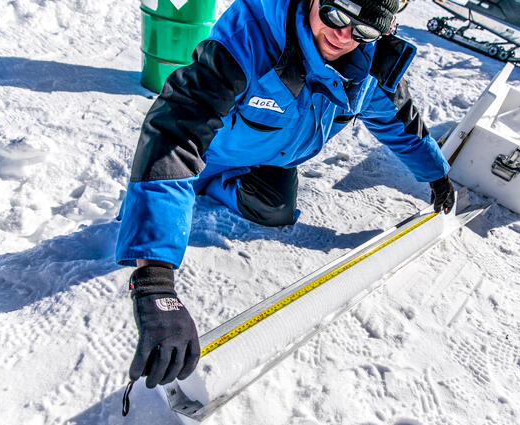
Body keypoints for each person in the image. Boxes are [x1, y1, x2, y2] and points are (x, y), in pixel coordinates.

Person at [116, 0, 455, 390]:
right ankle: (198, 182)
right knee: (155, 200)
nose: (343, 36)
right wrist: (155, 280)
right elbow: (175, 133)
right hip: (203, 153)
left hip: (267, 160)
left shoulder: (368, 66)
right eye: (336, 15)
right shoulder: (250, 40)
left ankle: (215, 186)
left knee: (277, 210)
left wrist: (436, 174)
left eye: (363, 30)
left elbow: (401, 121)